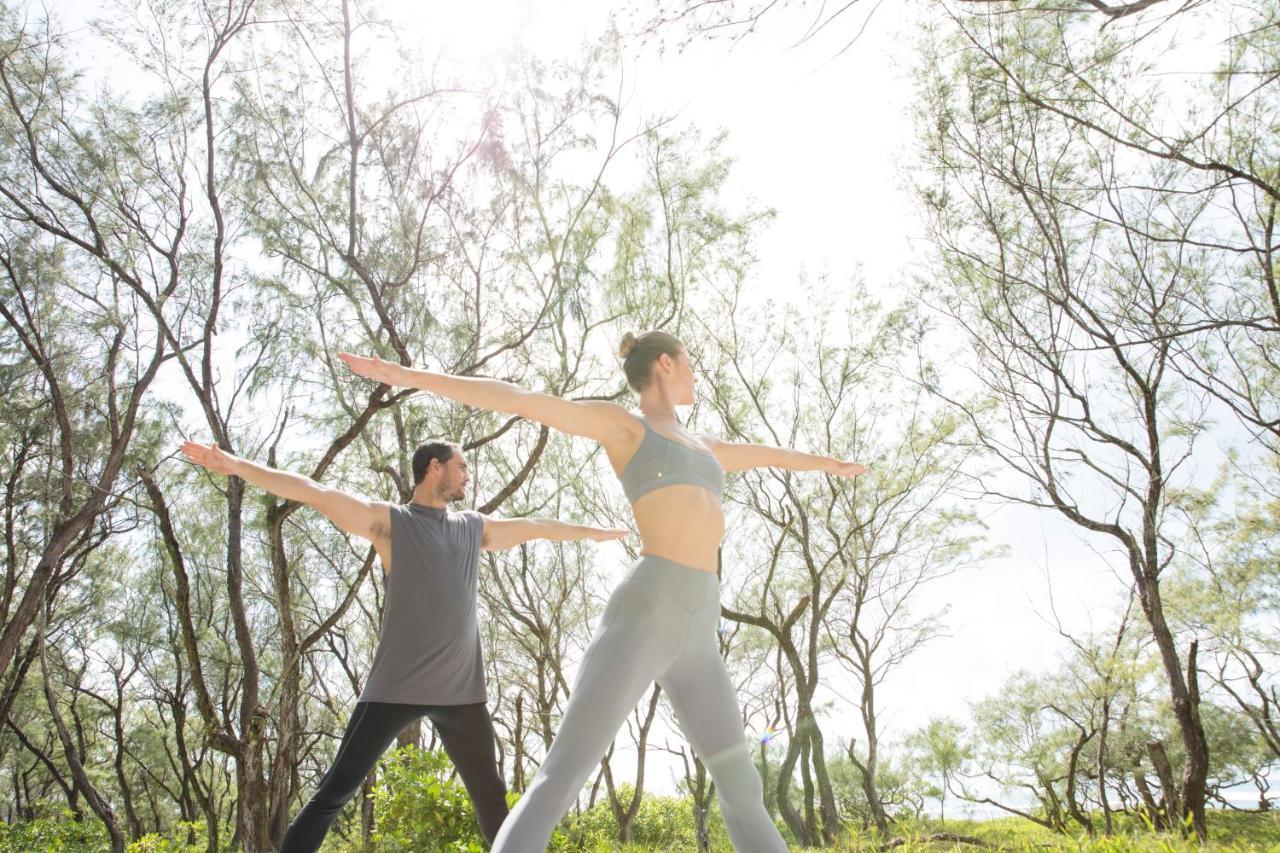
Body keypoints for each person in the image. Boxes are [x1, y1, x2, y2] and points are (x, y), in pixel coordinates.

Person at [337, 331, 866, 852]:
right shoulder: (625, 428)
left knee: (741, 785)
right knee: (565, 773)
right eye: (690, 362)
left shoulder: (705, 446)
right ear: (665, 363)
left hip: (700, 627)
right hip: (647, 610)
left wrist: (829, 465)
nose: (695, 373)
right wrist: (407, 377)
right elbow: (522, 400)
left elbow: (769, 454)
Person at [178, 438, 627, 852]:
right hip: (394, 690)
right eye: (461, 466)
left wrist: (593, 532)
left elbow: (536, 526)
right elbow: (312, 491)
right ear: (435, 468)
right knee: (335, 791)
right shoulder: (391, 523)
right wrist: (235, 465)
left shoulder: (473, 528)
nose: (467, 474)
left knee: (492, 803)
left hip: (462, 695)